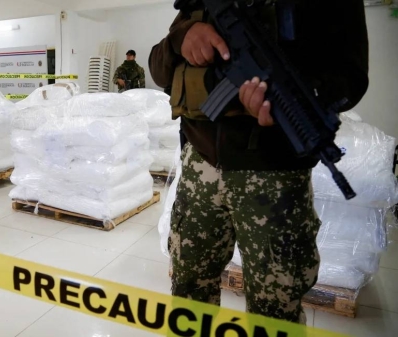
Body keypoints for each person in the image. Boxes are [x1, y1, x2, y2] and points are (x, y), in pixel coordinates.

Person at [149, 0, 369, 324]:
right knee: (188, 288)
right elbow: (158, 68)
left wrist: (299, 94)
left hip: (274, 174)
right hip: (200, 162)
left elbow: (351, 75)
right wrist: (182, 38)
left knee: (274, 311)